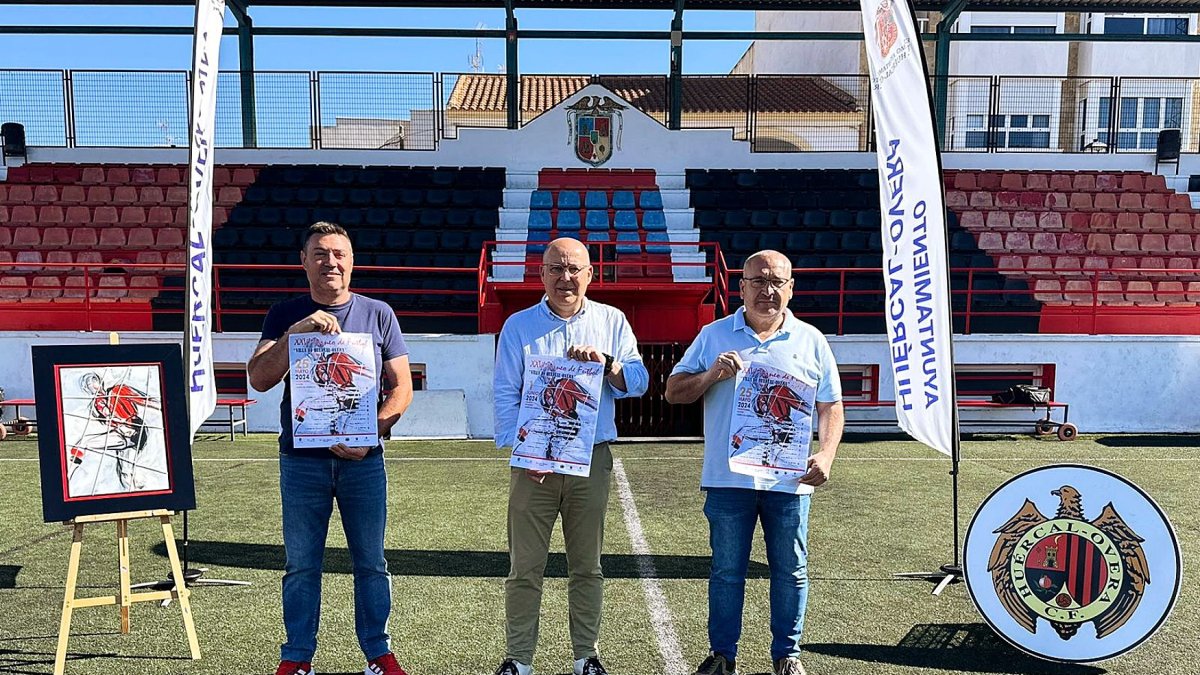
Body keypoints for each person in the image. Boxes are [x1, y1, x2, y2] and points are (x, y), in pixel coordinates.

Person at [665, 250, 845, 675]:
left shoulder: (812, 340)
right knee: (727, 571)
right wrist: (711, 376)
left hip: (790, 480)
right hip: (729, 480)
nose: (767, 290)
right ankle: (722, 655)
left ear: (791, 288)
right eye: (758, 281)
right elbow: (674, 391)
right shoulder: (713, 335)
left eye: (777, 282)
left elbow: (831, 406)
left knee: (791, 569)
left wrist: (827, 453)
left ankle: (788, 655)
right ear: (741, 286)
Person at [247, 222, 414, 675]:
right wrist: (296, 333)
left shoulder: (379, 313)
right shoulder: (284, 313)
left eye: (339, 253)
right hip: (302, 464)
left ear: (352, 260)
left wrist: (371, 433)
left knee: (371, 563)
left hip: (364, 464)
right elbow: (259, 378)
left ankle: (378, 653)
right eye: (319, 253)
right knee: (301, 565)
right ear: (303, 261)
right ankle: (297, 658)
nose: (330, 262)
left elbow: (401, 389)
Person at [492, 237, 649, 675]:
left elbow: (639, 380)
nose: (566, 278)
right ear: (541, 274)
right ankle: (519, 659)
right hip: (533, 465)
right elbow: (506, 393)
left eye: (574, 269)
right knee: (525, 568)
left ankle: (586, 656)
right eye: (556, 269)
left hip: (591, 458)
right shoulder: (518, 326)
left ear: (590, 274)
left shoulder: (612, 321)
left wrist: (609, 364)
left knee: (587, 566)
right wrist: (521, 451)